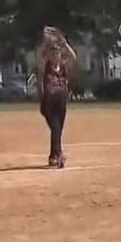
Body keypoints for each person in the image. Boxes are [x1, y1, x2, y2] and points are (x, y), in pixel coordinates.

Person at [36, 26, 77, 168]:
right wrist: (44, 41)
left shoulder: (64, 67)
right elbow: (39, 56)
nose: (55, 56)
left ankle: (53, 156)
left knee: (57, 129)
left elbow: (73, 57)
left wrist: (64, 43)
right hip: (48, 102)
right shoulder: (46, 66)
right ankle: (58, 155)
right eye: (53, 54)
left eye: (57, 53)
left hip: (61, 102)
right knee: (56, 128)